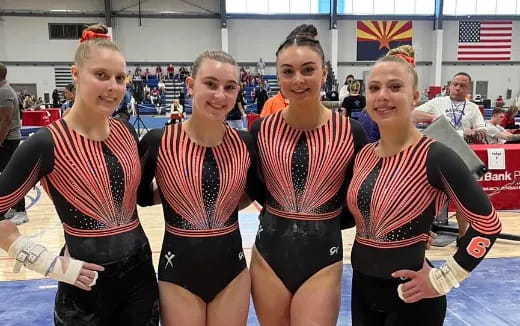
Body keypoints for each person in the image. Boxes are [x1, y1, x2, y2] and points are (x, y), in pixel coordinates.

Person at [0, 24, 159, 325]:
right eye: (101, 75)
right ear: (76, 74)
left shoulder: (125, 131)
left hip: (140, 278)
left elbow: (138, 197)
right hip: (84, 287)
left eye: (119, 78)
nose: (113, 86)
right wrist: (46, 262)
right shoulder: (46, 143)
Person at [346, 45, 501, 326]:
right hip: (362, 291)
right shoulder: (364, 155)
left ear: (415, 96)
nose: (383, 96)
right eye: (374, 88)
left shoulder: (436, 155)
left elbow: (488, 225)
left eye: (395, 87)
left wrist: (445, 278)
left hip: (414, 301)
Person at [249, 24, 368, 325]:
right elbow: (254, 188)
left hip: (322, 257)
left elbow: (366, 195)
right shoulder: (261, 130)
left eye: (308, 70)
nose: (298, 80)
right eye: (287, 71)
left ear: (324, 73)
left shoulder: (352, 132)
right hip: (268, 256)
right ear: (278, 76)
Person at [138, 50, 260, 325]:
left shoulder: (245, 143)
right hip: (178, 272)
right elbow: (140, 198)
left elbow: (252, 193)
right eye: (211, 84)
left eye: (229, 87)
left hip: (232, 273)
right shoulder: (158, 142)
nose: (220, 95)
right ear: (191, 85)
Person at [412, 71, 487, 241]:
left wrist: (470, 132)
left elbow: (483, 133)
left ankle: (462, 236)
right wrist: (433, 117)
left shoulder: (473, 108)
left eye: (462, 85)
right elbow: (412, 115)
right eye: (455, 84)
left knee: (463, 197)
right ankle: (422, 234)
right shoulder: (438, 102)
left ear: (468, 88)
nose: (458, 88)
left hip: (461, 156)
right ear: (450, 85)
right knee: (427, 196)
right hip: (436, 155)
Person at [0, 63, 28, 225]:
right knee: (5, 175)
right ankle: (13, 207)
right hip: (6, 138)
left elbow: (6, 120)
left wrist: (0, 140)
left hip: (8, 139)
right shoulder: (3, 90)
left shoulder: (4, 91)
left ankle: (21, 210)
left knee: (11, 175)